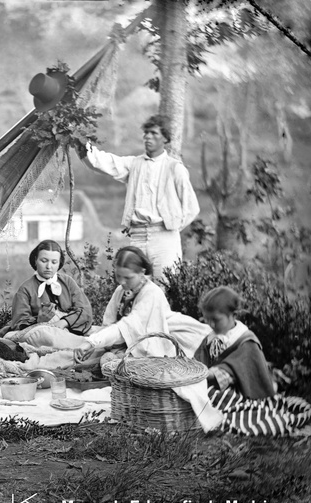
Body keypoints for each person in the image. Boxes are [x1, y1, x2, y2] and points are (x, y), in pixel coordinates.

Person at [78, 115, 200, 277]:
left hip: (164, 238)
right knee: (134, 285)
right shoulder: (134, 164)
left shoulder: (174, 168)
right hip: (138, 236)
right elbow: (101, 161)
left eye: (154, 133)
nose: (148, 137)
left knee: (165, 286)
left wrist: (171, 226)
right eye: (146, 133)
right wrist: (78, 138)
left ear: (165, 138)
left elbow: (192, 208)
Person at [195, 286, 311, 436]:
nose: (211, 324)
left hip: (244, 391)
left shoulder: (246, 340)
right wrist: (193, 370)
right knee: (201, 394)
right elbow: (198, 359)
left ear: (233, 315)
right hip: (215, 384)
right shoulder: (212, 337)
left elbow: (234, 369)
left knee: (216, 397)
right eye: (207, 320)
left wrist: (207, 374)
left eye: (216, 320)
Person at [76, 247, 209, 367]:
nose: (122, 282)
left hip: (167, 338)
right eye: (118, 276)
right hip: (128, 342)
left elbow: (127, 326)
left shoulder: (152, 293)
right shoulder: (120, 291)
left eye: (128, 277)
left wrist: (92, 342)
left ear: (142, 273)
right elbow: (109, 323)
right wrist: (97, 343)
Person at [0, 240, 94, 348]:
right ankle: (74, 345)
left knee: (101, 333)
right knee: (45, 337)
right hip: (42, 333)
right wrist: (39, 321)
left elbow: (85, 310)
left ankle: (73, 343)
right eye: (44, 261)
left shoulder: (67, 282)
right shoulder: (25, 289)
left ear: (59, 263)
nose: (49, 266)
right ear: (35, 260)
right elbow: (18, 323)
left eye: (54, 262)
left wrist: (63, 323)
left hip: (69, 328)